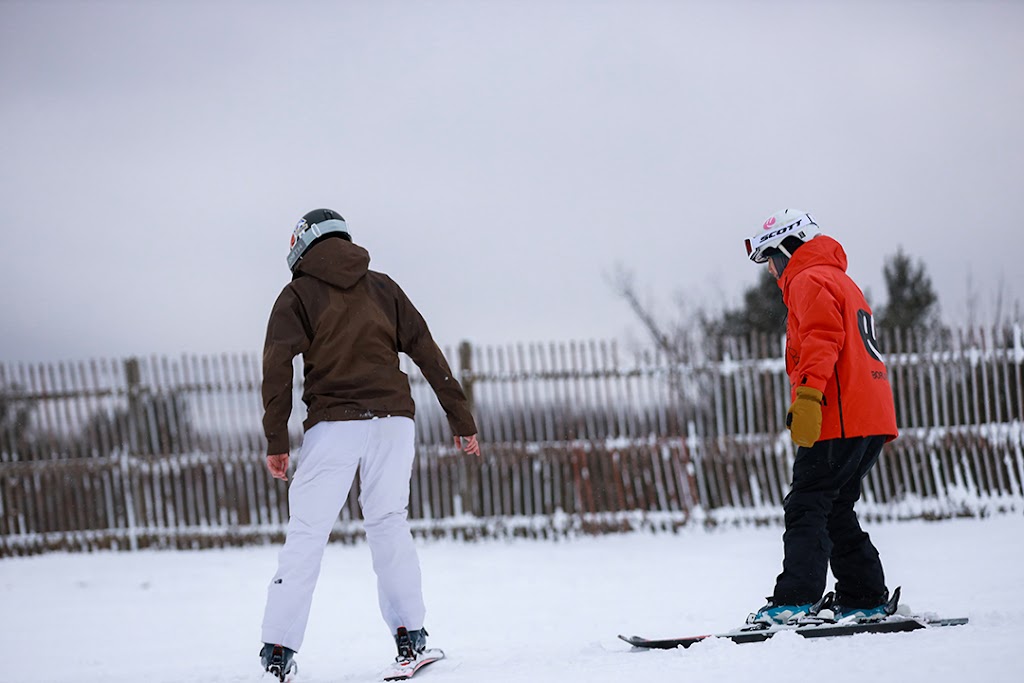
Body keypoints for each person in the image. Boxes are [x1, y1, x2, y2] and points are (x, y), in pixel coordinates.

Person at [258, 208, 481, 680]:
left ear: (301, 244)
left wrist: (276, 438)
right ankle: (411, 639)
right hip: (393, 423)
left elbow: (278, 365)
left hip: (334, 424)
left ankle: (278, 652)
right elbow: (425, 348)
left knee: (307, 533)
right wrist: (460, 417)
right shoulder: (383, 286)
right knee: (388, 523)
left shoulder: (297, 294)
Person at [743, 209, 899, 625]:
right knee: (835, 506)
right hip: (869, 415)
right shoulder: (839, 279)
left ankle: (794, 601)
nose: (773, 272)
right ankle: (864, 595)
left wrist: (809, 396)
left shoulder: (809, 278)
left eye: (772, 260)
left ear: (788, 248)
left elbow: (822, 337)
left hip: (839, 413)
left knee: (807, 503)